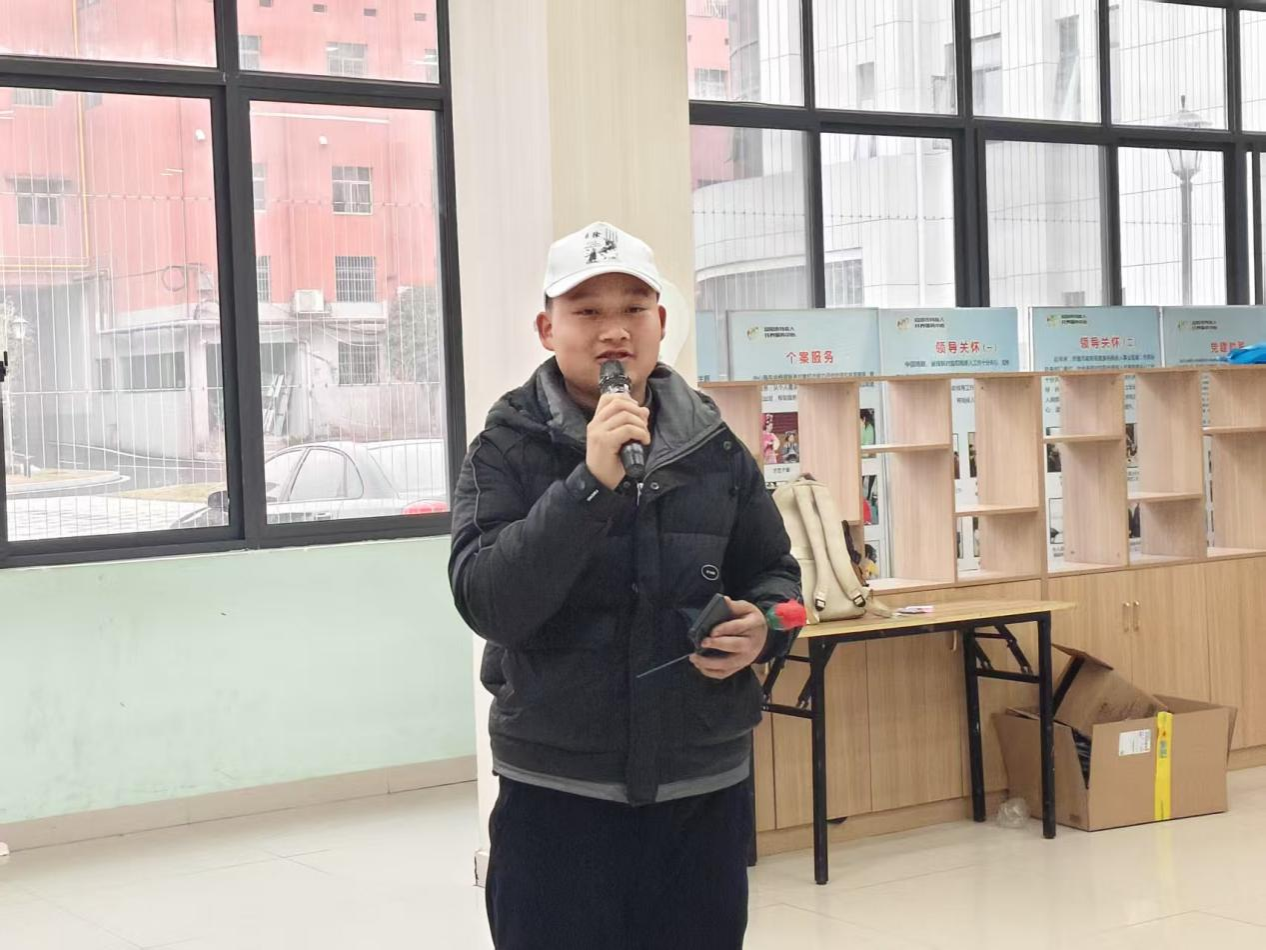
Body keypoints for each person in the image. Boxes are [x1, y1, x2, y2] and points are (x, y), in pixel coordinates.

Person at [448, 221, 802, 950]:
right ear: (548, 329)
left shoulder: (715, 447)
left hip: (700, 787)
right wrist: (590, 483)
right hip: (558, 791)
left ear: (661, 323)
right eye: (587, 311)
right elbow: (488, 601)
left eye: (634, 308)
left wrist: (764, 629)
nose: (614, 331)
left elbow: (779, 577)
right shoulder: (503, 449)